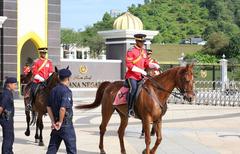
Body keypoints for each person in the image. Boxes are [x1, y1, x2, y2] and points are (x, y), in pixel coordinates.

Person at [125, 34, 160, 117]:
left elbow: (146, 63)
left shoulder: (143, 51)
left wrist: (153, 65)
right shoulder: (131, 51)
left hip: (141, 76)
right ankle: (130, 109)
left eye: (143, 42)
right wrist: (141, 71)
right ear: (136, 41)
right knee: (133, 89)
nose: (142, 43)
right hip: (132, 76)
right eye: (141, 42)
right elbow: (129, 65)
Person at [46, 68, 77, 154]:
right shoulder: (66, 91)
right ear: (68, 78)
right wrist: (60, 121)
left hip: (55, 124)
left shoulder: (53, 90)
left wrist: (53, 121)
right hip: (65, 124)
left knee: (52, 149)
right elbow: (63, 108)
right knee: (71, 150)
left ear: (59, 77)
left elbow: (48, 107)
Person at [0, 77, 18, 154]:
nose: (16, 86)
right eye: (14, 84)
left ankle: (9, 152)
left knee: (10, 137)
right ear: (9, 84)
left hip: (8, 118)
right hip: (5, 119)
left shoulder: (9, 92)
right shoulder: (6, 94)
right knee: (8, 138)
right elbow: (1, 107)